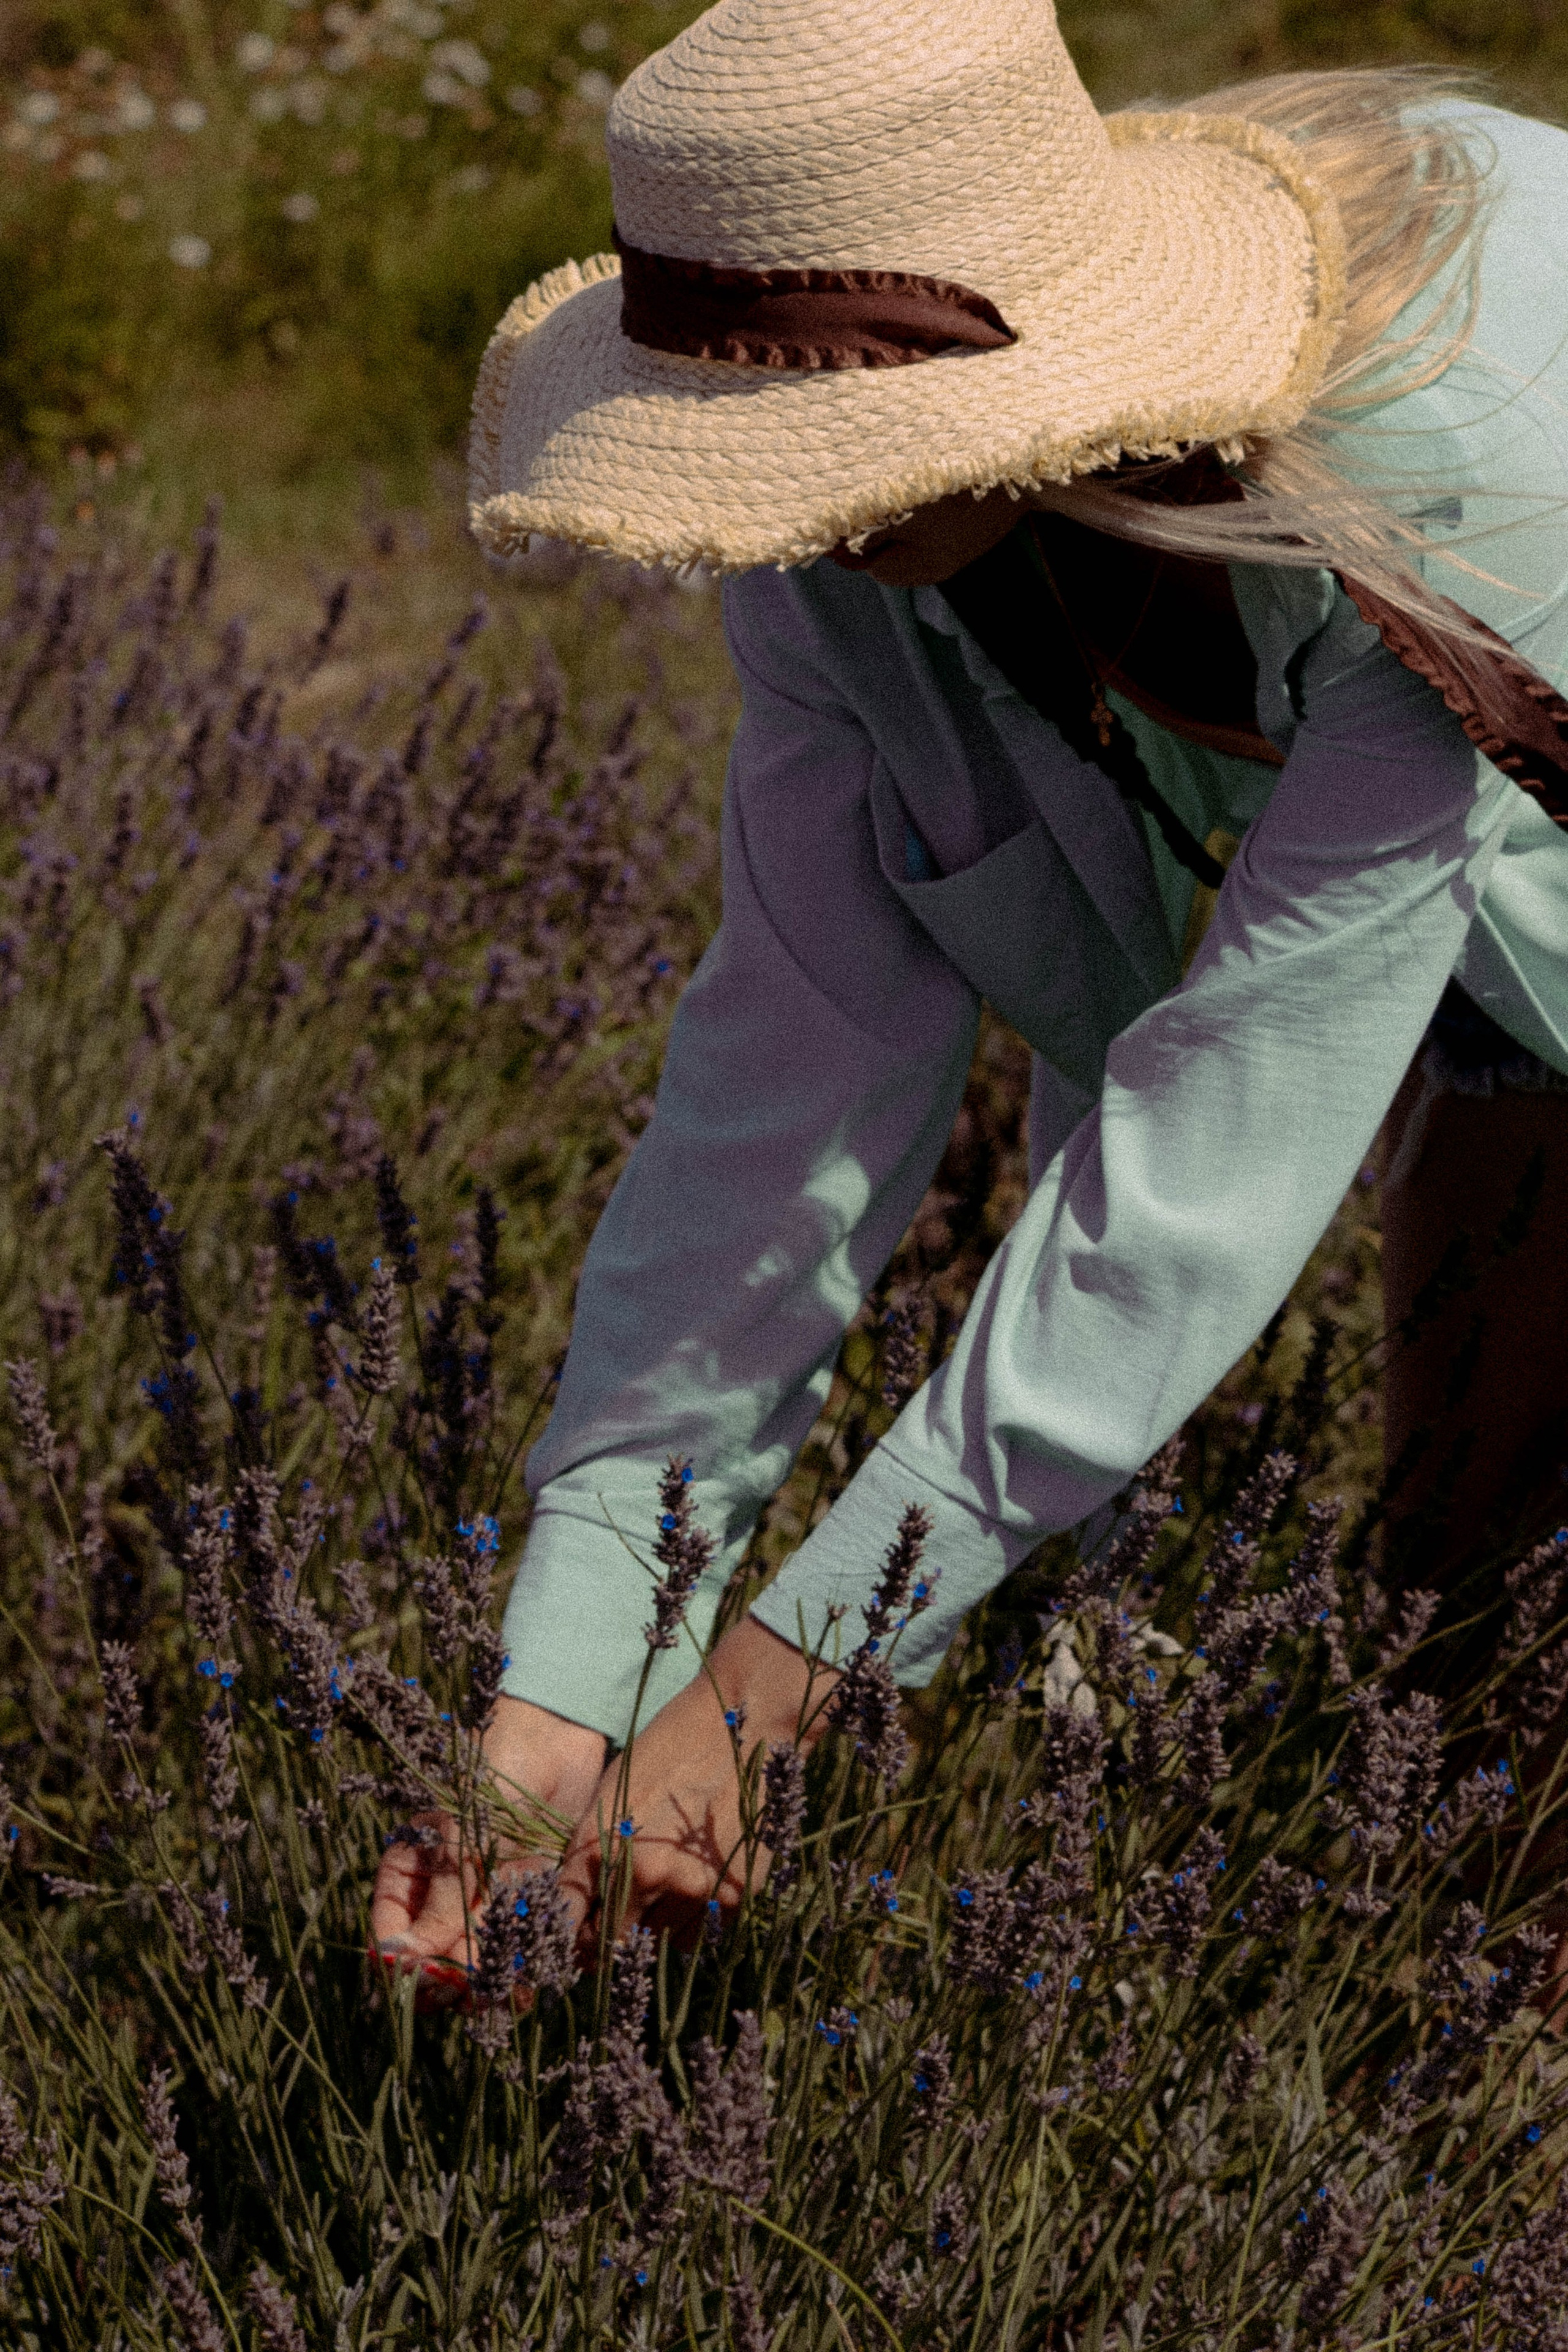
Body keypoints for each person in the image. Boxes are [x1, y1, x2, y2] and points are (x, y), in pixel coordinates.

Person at [371, 0, 1568, 1992]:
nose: (804, 509)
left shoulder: (1430, 489)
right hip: (1501, 980)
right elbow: (773, 1121)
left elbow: (1210, 1159)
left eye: (841, 435)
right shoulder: (836, 569)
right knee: (1467, 1602)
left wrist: (769, 1701)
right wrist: (553, 1714)